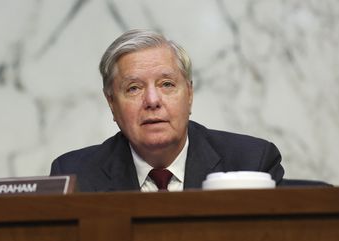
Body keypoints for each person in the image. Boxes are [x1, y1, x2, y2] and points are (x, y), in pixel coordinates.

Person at [50, 29, 285, 192]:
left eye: (167, 84)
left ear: (190, 95)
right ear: (112, 103)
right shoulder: (75, 176)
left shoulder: (252, 161)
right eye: (133, 88)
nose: (152, 100)